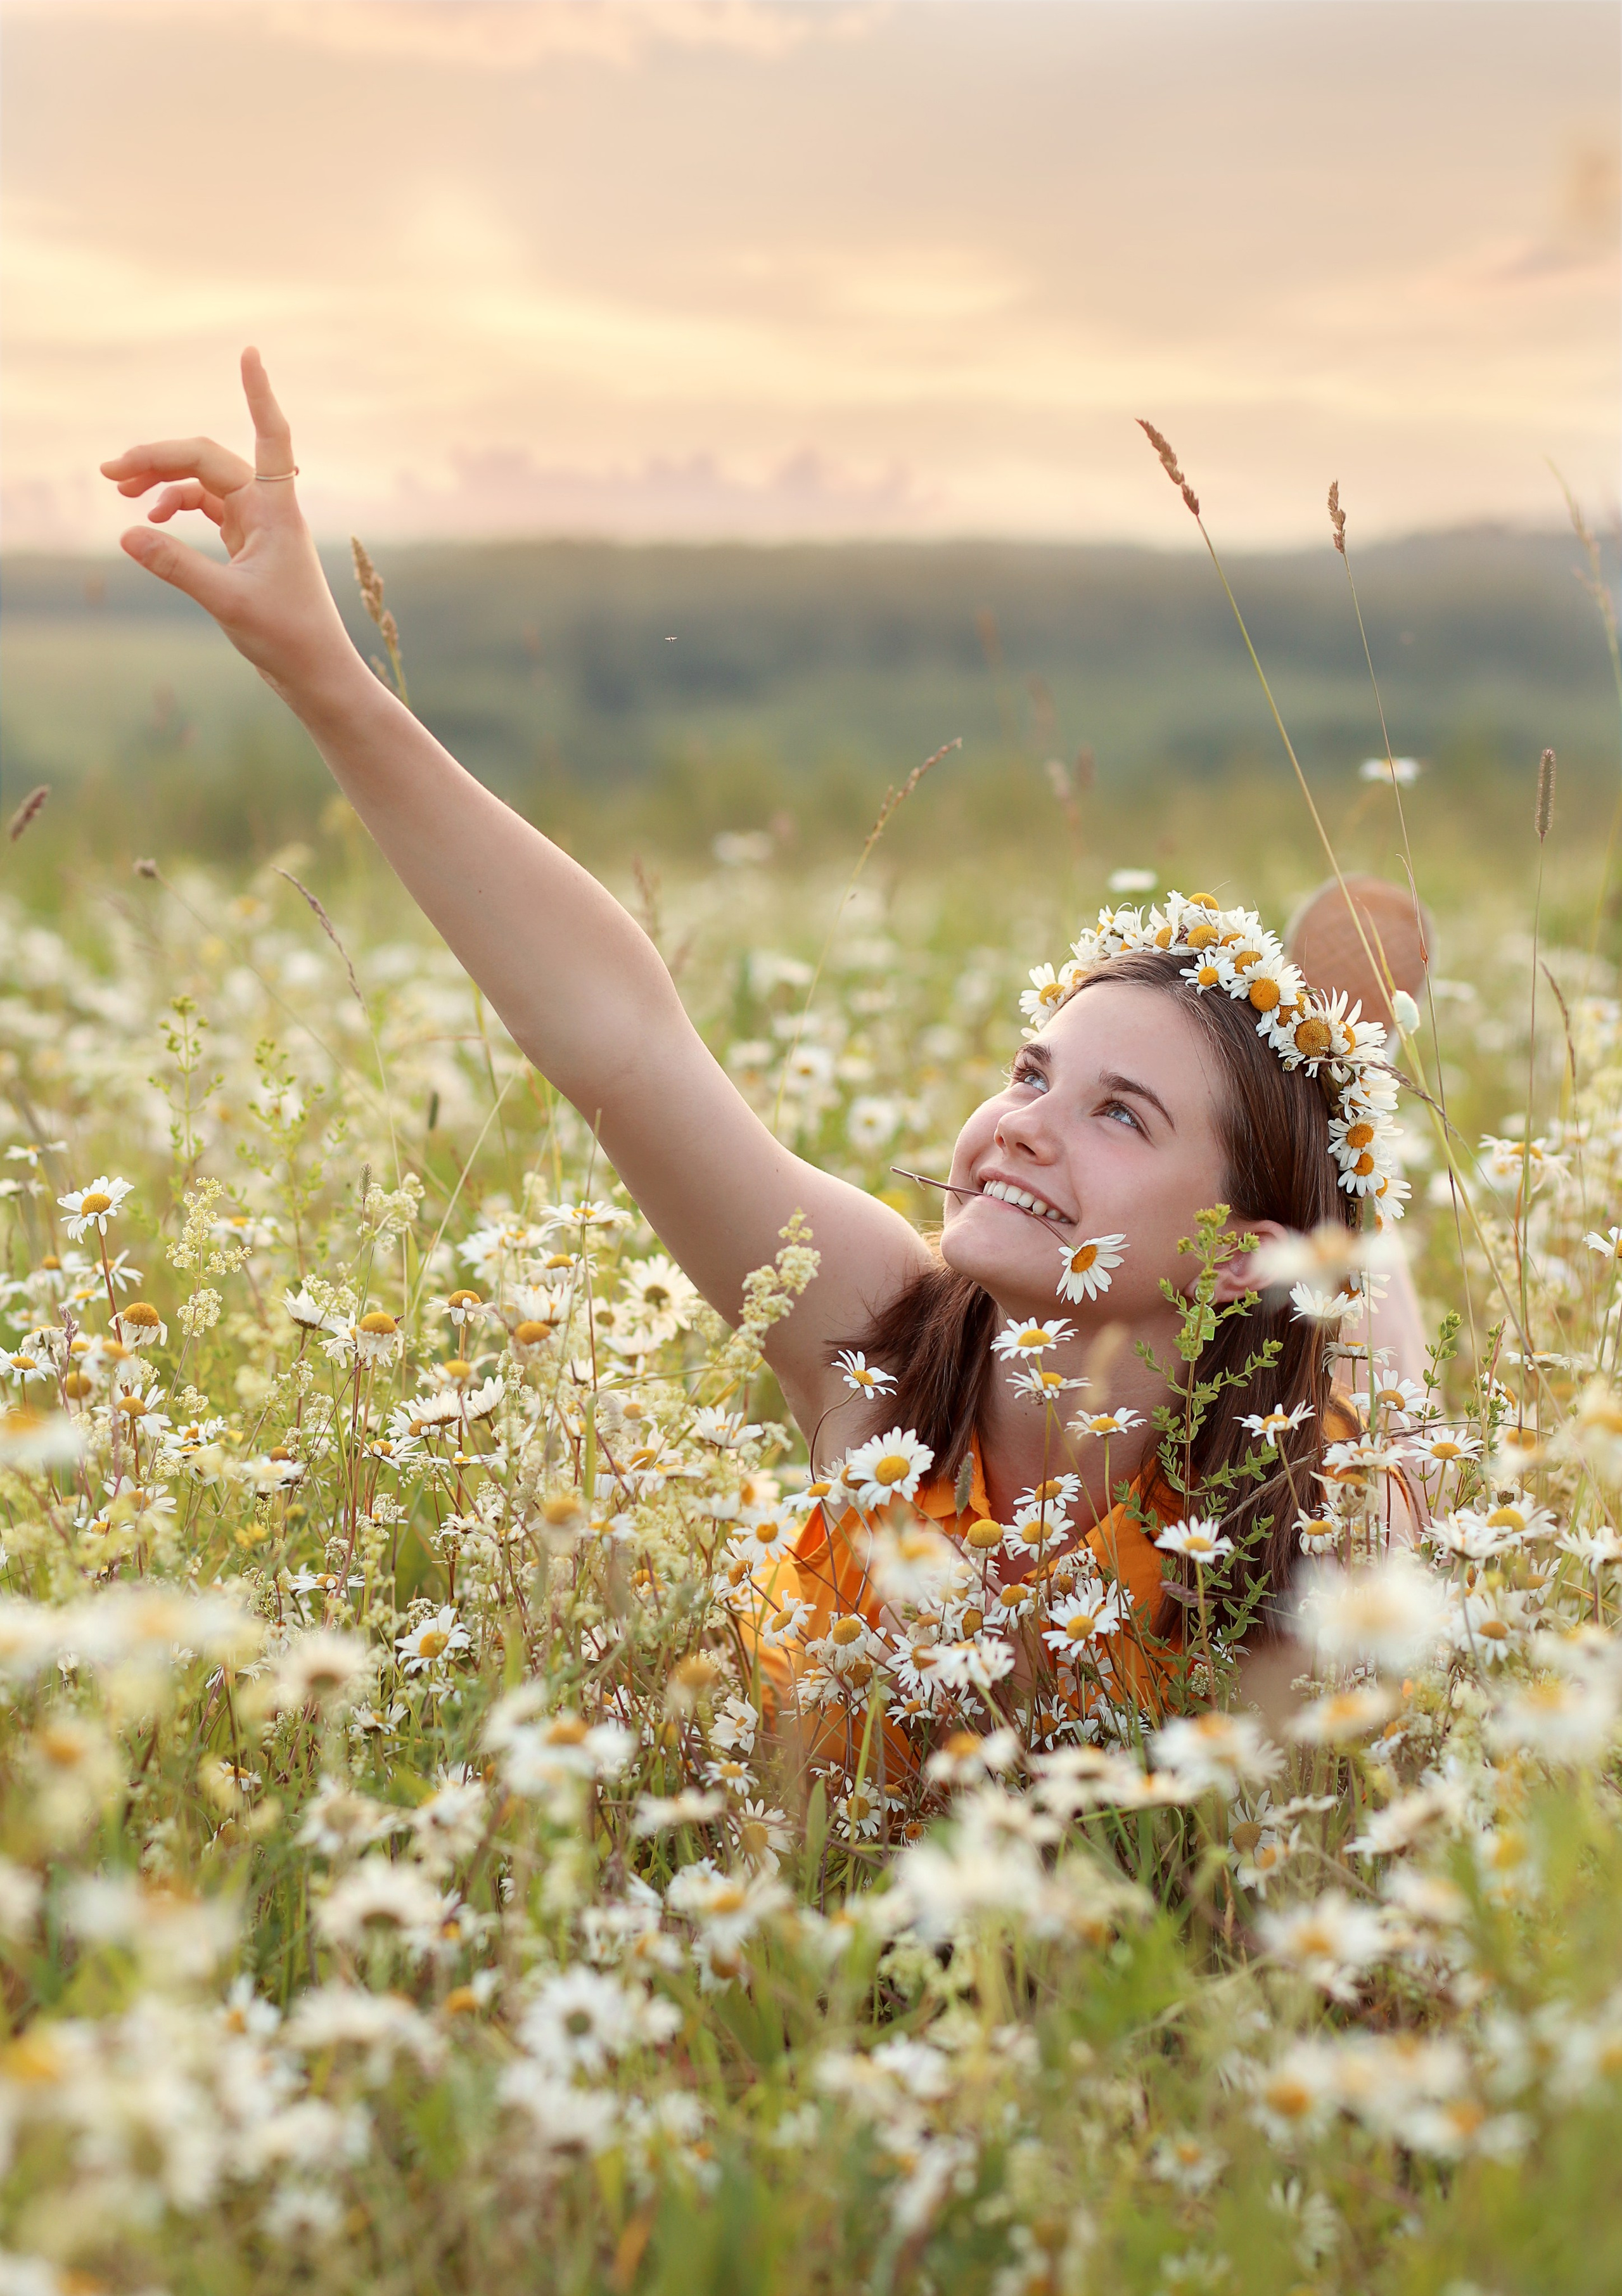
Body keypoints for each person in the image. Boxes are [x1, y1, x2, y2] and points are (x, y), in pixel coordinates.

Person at [102, 353, 1414, 1733]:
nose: (1023, 1118)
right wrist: (321, 672)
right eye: (1032, 1071)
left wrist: (1348, 1276)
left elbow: (1389, 1495)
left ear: (1234, 1247)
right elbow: (623, 1043)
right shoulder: (880, 1344)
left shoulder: (1288, 1525)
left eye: (1118, 1114)